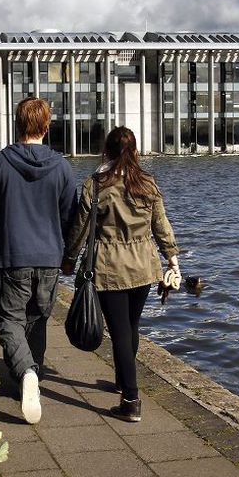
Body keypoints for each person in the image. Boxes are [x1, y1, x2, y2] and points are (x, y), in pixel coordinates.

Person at [0, 97, 77, 424]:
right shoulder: (62, 167)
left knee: (7, 320)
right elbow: (70, 218)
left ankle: (26, 373)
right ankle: (32, 379)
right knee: (37, 318)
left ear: (17, 124)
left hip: (11, 255)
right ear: (47, 126)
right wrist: (67, 257)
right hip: (49, 257)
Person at [62, 126, 179, 422]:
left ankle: (130, 400)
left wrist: (69, 259)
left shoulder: (96, 184)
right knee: (130, 326)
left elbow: (80, 228)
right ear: (136, 152)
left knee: (120, 333)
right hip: (143, 265)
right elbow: (161, 225)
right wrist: (172, 259)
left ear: (107, 152)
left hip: (109, 266)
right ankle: (121, 380)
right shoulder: (148, 183)